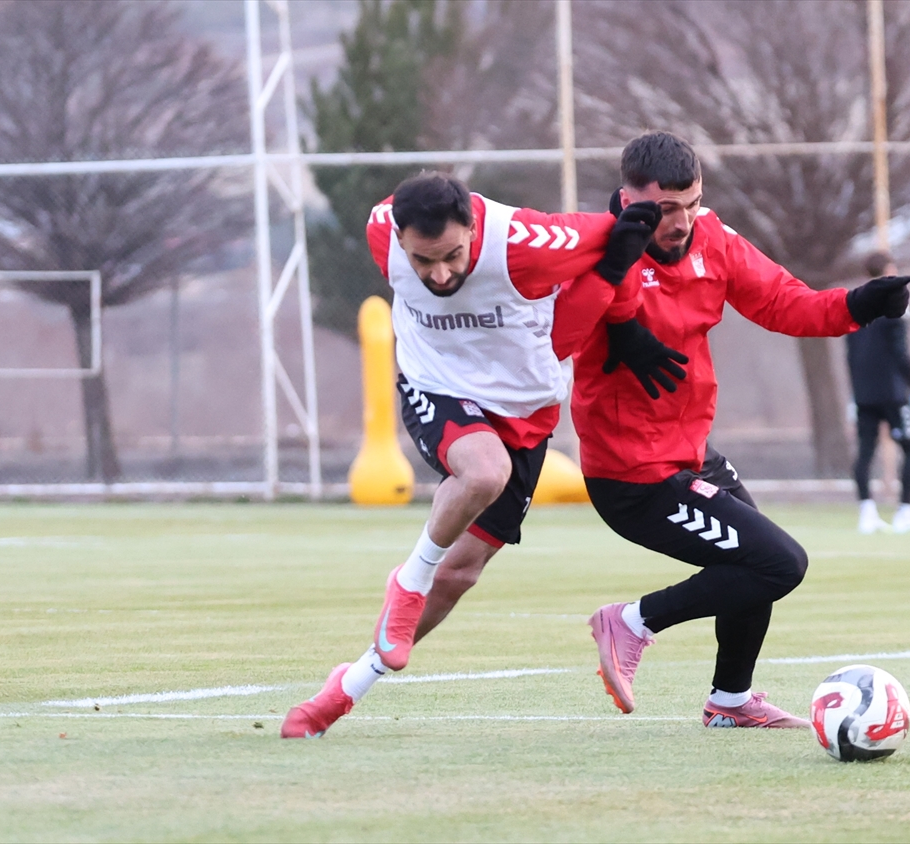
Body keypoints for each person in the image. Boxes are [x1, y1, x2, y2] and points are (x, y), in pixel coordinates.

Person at [281, 172, 677, 738]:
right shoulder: (378, 229)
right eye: (423, 262)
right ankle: (408, 583)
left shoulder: (527, 243)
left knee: (460, 573)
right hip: (436, 387)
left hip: (524, 412)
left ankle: (347, 686)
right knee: (482, 471)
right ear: (398, 239)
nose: (439, 274)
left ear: (473, 226)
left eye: (451, 256)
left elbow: (619, 240)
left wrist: (635, 241)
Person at [569, 131, 910, 728]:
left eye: (691, 203)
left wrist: (859, 304)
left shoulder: (715, 240)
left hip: (690, 454)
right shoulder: (597, 253)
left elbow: (790, 305)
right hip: (633, 476)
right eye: (664, 209)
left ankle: (730, 701)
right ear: (628, 200)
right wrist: (616, 322)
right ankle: (629, 622)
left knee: (760, 566)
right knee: (780, 562)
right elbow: (556, 319)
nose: (680, 222)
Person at [845, 251, 910, 535]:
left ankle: (867, 512)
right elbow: (901, 353)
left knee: (865, 451)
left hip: (864, 394)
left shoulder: (855, 304)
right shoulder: (894, 305)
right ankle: (904, 513)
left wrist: (855, 391)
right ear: (887, 270)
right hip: (893, 394)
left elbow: (850, 355)